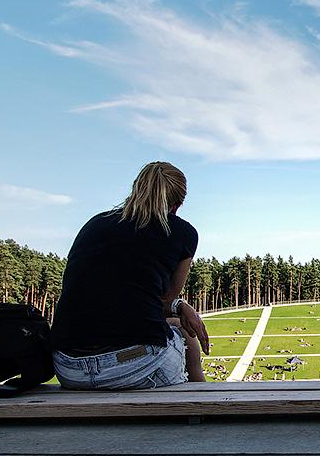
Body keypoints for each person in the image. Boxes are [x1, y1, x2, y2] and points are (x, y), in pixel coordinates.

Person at [50, 161, 210, 389]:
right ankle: (200, 398)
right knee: (185, 332)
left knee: (175, 325)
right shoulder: (183, 232)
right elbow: (166, 297)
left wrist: (178, 307)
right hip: (135, 365)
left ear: (136, 188)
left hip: (69, 369)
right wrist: (180, 305)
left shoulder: (94, 224)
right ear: (177, 204)